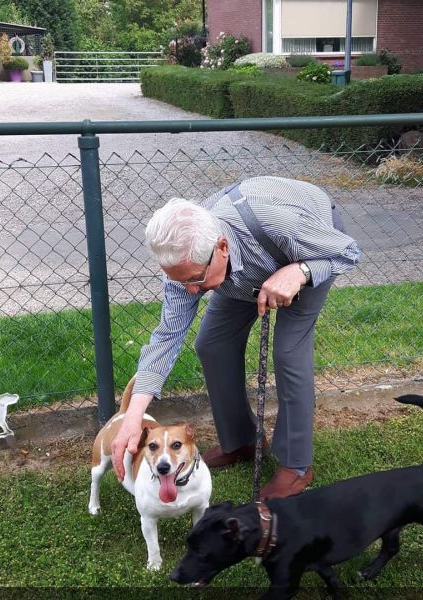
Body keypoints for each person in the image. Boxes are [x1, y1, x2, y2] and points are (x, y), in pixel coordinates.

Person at [112, 176, 359, 500]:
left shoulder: (284, 226)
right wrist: (132, 418)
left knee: (288, 351)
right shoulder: (186, 261)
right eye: (179, 280)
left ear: (222, 247)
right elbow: (168, 335)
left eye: (194, 281)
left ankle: (296, 466)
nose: (189, 291)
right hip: (246, 266)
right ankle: (242, 441)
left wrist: (300, 271)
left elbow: (348, 251)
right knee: (212, 343)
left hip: (310, 249)